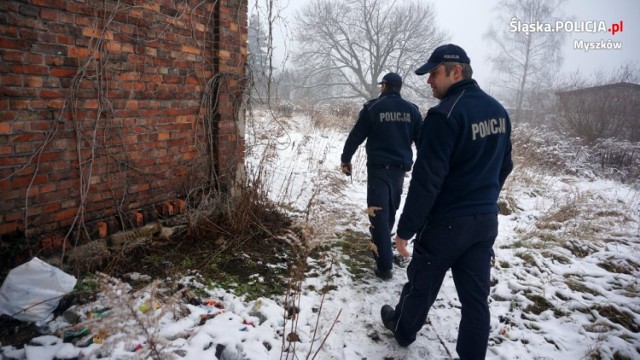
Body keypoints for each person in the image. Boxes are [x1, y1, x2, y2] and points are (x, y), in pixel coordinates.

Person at [380, 44, 513, 359]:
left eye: (434, 73)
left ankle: (402, 329)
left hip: (447, 224)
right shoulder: (498, 111)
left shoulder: (444, 115)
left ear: (457, 71)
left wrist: (405, 230)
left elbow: (428, 181)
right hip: (484, 223)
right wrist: (485, 199)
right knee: (476, 303)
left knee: (421, 285)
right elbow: (505, 166)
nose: (429, 81)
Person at [340, 72, 422, 280]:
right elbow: (423, 142)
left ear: (385, 86)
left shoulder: (373, 108)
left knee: (378, 214)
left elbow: (356, 136)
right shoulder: (412, 111)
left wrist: (346, 158)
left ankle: (384, 265)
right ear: (400, 88)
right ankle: (383, 248)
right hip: (399, 171)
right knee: (390, 210)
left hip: (378, 170)